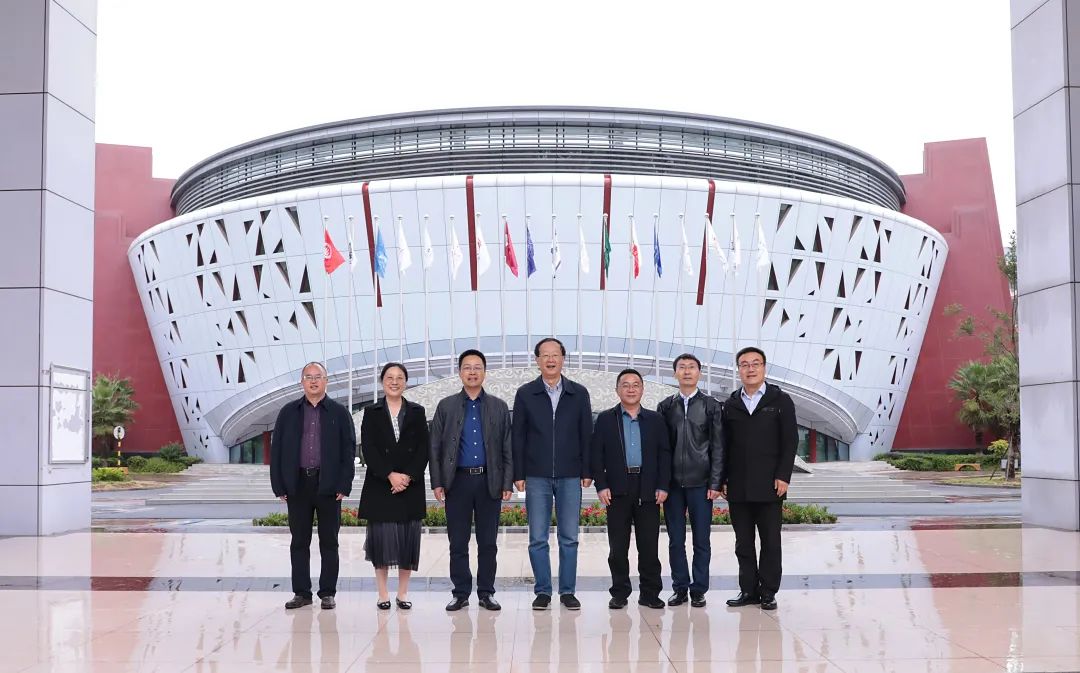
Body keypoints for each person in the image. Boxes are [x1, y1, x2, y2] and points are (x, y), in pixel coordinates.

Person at [429, 349, 514, 612]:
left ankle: (486, 592)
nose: (473, 372)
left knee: (488, 543)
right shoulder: (446, 406)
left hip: (489, 481)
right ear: (460, 372)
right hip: (458, 482)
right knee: (458, 542)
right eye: (467, 367)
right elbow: (435, 447)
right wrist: (437, 482)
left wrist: (507, 482)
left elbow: (507, 447)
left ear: (485, 372)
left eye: (478, 367)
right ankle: (460, 592)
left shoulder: (499, 407)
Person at [512, 337, 593, 610]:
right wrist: (519, 473)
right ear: (537, 360)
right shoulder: (525, 394)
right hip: (536, 475)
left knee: (569, 537)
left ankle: (567, 591)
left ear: (563, 359)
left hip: (571, 475)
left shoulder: (578, 393)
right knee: (537, 538)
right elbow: (518, 436)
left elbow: (586, 434)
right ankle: (543, 591)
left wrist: (587, 470)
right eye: (544, 355)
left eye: (555, 354)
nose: (550, 359)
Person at [270, 361, 356, 610]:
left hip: (328, 485)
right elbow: (277, 451)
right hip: (297, 485)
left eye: (318, 376)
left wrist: (344, 484)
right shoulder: (288, 412)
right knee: (299, 541)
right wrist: (279, 485)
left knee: (329, 541)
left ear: (326, 381)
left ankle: (327, 592)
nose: (314, 381)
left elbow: (348, 450)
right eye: (309, 377)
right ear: (302, 382)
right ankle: (302, 593)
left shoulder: (339, 413)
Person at [721, 347, 798, 611]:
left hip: (770, 485)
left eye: (755, 363)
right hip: (738, 486)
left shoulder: (780, 400)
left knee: (770, 542)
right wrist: (723, 479)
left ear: (764, 368)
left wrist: (783, 475)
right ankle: (748, 590)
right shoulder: (731, 404)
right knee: (743, 543)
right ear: (739, 370)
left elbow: (790, 441)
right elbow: (725, 445)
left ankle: (768, 591)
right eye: (744, 364)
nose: (750, 369)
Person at [591, 368, 671, 610]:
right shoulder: (606, 419)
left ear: (642, 389)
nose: (631, 389)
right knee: (618, 548)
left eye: (636, 384)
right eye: (625, 384)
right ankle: (619, 592)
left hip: (648, 488)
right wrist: (601, 485)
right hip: (617, 489)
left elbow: (664, 454)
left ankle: (650, 593)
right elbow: (597, 455)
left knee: (649, 546)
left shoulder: (655, 420)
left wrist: (663, 485)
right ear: (617, 390)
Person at [358, 363, 429, 611]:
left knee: (407, 542)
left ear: (406, 382)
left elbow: (423, 448)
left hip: (410, 486)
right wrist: (389, 475)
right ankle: (383, 594)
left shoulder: (417, 411)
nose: (395, 382)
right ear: (382, 382)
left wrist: (407, 476)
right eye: (390, 377)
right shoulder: (371, 412)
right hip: (381, 485)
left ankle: (403, 593)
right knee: (381, 542)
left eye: (400, 378)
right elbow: (369, 448)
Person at [656, 353, 725, 608]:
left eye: (692, 367)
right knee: (676, 540)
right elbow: (660, 449)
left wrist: (715, 483)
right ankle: (680, 587)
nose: (687, 371)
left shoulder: (711, 405)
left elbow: (718, 447)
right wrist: (661, 483)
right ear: (675, 373)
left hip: (701, 483)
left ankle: (699, 589)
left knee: (701, 540)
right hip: (673, 485)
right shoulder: (665, 406)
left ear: (699, 373)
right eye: (682, 367)